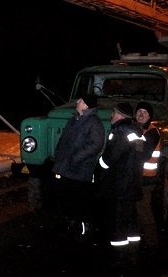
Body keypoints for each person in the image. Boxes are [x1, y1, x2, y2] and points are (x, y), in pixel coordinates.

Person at [51, 92, 105, 241]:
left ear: (86, 105)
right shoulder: (73, 120)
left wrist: (75, 158)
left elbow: (95, 145)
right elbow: (63, 139)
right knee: (65, 199)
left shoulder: (94, 122)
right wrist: (58, 154)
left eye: (80, 100)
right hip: (65, 168)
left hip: (80, 171)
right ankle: (69, 226)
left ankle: (82, 231)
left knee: (78, 200)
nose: (77, 102)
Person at [97, 102, 145, 268]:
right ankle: (133, 255)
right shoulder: (137, 133)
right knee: (131, 223)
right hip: (133, 186)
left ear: (121, 115)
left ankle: (119, 259)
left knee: (118, 224)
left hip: (119, 187)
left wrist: (99, 164)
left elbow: (108, 159)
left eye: (114, 113)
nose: (111, 115)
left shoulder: (121, 132)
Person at [135, 101, 162, 255]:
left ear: (150, 116)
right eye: (139, 111)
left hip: (146, 179)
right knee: (138, 211)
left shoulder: (152, 133)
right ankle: (139, 244)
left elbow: (141, 153)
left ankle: (153, 246)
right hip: (138, 178)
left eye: (144, 112)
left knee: (144, 211)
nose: (141, 114)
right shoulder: (137, 130)